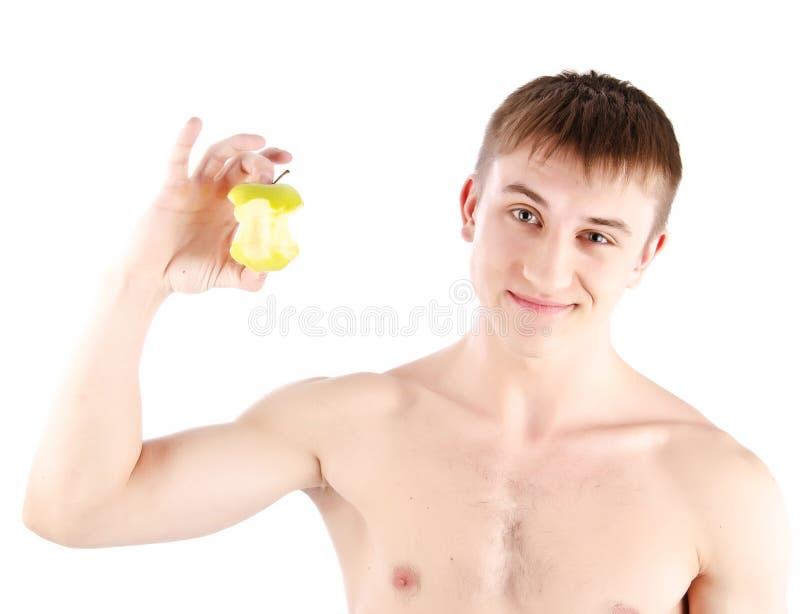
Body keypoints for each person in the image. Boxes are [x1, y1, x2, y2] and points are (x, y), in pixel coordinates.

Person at [22, 69, 791, 613]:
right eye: (524, 214)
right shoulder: (351, 423)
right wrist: (141, 278)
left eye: (596, 235)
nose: (549, 268)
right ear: (470, 206)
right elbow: (75, 510)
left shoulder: (717, 485)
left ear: (645, 259)